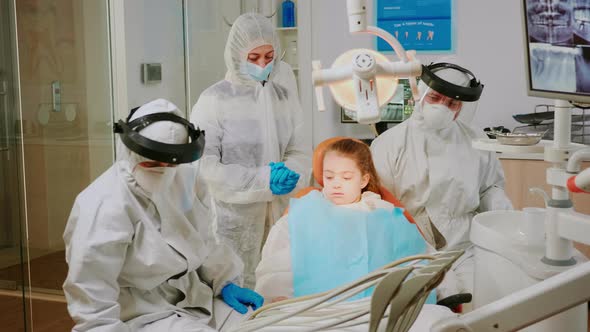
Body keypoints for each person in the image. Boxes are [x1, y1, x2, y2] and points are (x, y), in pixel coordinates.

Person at [63, 99, 263, 331]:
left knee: (261, 325)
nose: (163, 171)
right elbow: (92, 296)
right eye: (152, 163)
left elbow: (205, 240)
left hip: (194, 297)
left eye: (169, 164)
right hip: (138, 312)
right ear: (132, 151)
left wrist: (223, 281)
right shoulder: (104, 204)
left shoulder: (188, 180)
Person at [370, 62, 514, 300]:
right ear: (421, 94)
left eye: (452, 103)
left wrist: (499, 205)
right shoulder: (389, 144)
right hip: (412, 248)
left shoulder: (475, 139)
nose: (442, 107)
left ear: (461, 108)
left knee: (481, 304)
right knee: (427, 311)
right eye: (435, 98)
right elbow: (382, 206)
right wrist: (415, 248)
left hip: (465, 247)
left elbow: (489, 186)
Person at [190, 13, 311, 288]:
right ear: (235, 56)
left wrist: (290, 174)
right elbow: (203, 164)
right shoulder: (214, 100)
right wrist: (261, 178)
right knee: (235, 286)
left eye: (269, 57)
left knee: (277, 286)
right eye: (254, 58)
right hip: (233, 217)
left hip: (279, 210)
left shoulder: (284, 97)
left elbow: (299, 149)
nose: (263, 65)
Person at [255, 138, 426, 303]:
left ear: (363, 180)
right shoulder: (303, 212)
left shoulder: (382, 212)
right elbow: (276, 265)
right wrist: (279, 297)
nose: (336, 184)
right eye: (329, 177)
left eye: (346, 178)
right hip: (312, 308)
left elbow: (419, 259)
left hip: (372, 307)